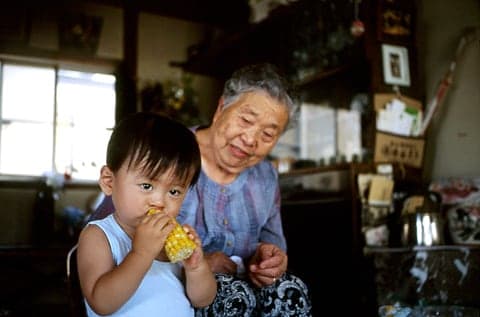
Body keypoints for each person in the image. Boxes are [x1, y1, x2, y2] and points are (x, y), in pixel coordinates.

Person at [91, 63, 312, 316]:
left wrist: (269, 259)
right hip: (185, 294)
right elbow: (110, 230)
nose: (251, 140)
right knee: (232, 297)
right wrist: (195, 266)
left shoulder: (266, 177)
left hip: (245, 285)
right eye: (246, 120)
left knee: (291, 289)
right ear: (221, 108)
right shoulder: (167, 154)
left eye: (268, 134)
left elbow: (272, 241)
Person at [76, 112, 217, 316]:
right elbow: (101, 303)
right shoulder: (99, 236)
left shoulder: (171, 238)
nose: (159, 202)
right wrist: (142, 254)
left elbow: (203, 300)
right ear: (109, 181)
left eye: (174, 192)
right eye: (146, 185)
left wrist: (196, 268)